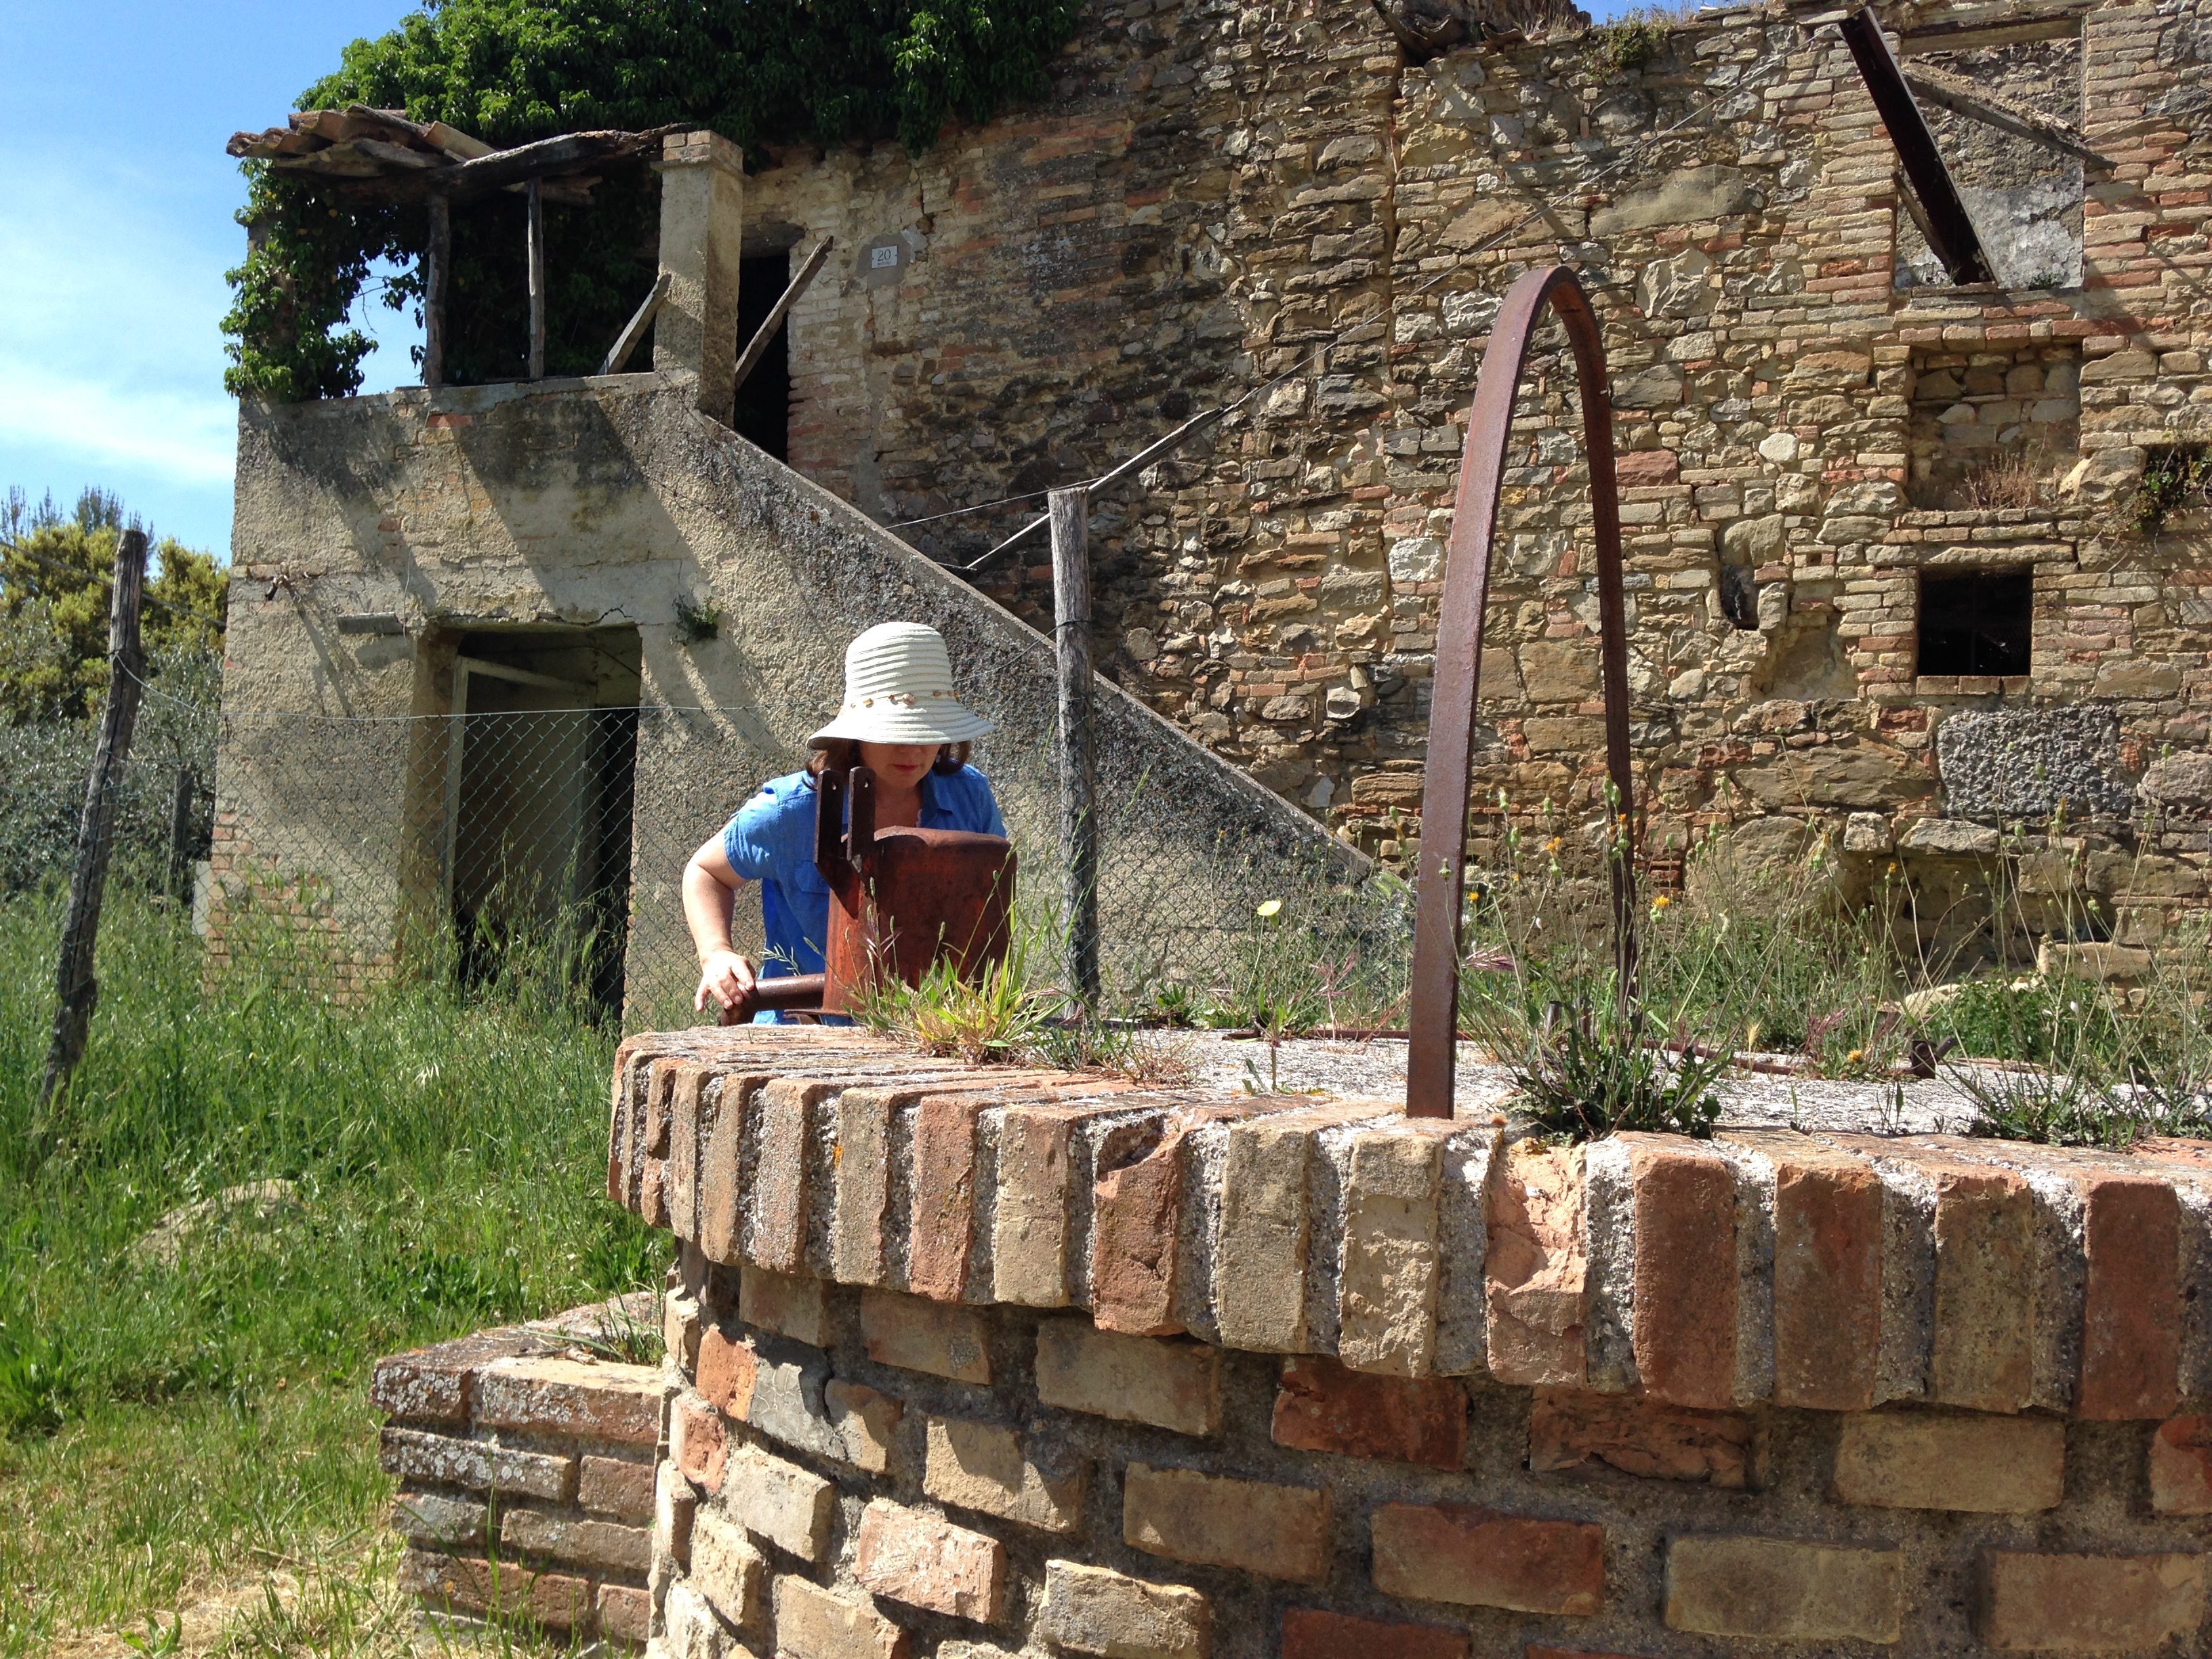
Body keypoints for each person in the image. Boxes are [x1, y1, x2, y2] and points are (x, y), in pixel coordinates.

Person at [684, 621, 1005, 1019]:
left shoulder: (970, 796)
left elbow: (993, 903)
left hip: (931, 1027)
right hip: (802, 1032)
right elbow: (706, 872)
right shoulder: (792, 809)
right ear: (856, 734)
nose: (913, 749)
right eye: (895, 732)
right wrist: (716, 953)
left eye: (928, 730)